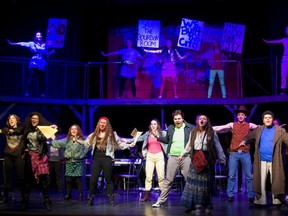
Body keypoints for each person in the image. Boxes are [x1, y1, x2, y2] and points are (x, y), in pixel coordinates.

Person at [239, 110, 288, 209]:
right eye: (266, 118)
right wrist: (244, 141)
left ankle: (279, 201)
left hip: (275, 160)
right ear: (263, 120)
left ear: (272, 119)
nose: (268, 119)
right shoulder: (259, 129)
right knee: (260, 182)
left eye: (269, 118)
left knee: (277, 181)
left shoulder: (280, 130)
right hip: (261, 160)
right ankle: (259, 202)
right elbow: (249, 136)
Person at [178, 114, 226, 215]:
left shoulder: (211, 133)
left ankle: (207, 206)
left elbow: (218, 146)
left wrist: (222, 160)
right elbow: (189, 145)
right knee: (192, 185)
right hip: (195, 159)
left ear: (207, 121)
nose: (202, 120)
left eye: (204, 119)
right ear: (197, 121)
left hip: (207, 160)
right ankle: (191, 206)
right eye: (200, 118)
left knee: (205, 185)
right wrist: (182, 154)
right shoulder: (194, 132)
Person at [81, 117, 135, 207]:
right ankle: (90, 198)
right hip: (96, 158)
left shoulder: (111, 134)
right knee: (93, 180)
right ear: (99, 123)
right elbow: (86, 144)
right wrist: (77, 140)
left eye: (104, 123)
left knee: (108, 179)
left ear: (107, 125)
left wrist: (129, 145)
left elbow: (119, 144)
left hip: (107, 158)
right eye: (101, 122)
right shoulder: (93, 135)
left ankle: (111, 199)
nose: (102, 124)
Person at [212, 105, 258, 204]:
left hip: (245, 153)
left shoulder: (250, 125)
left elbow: (261, 128)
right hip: (234, 154)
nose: (240, 116)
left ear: (245, 116)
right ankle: (230, 195)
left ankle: (251, 196)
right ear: (237, 116)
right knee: (231, 175)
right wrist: (208, 128)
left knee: (249, 176)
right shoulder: (232, 125)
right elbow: (221, 128)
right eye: (239, 115)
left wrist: (274, 128)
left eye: (242, 114)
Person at [152, 109, 194, 208]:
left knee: (189, 180)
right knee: (168, 180)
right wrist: (157, 137)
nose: (177, 120)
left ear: (183, 119)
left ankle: (192, 202)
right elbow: (167, 140)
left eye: (179, 118)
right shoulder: (171, 128)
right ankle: (160, 201)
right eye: (175, 119)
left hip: (186, 157)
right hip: (173, 157)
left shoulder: (190, 127)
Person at [21, 111, 60, 211]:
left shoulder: (43, 130)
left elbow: (58, 130)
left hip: (41, 156)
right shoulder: (27, 129)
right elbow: (16, 131)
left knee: (44, 180)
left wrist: (55, 127)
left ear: (39, 120)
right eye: (32, 118)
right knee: (28, 180)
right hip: (29, 156)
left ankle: (46, 201)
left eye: (36, 119)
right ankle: (25, 201)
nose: (34, 120)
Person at [7, 31, 55, 97]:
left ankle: (42, 93)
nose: (39, 36)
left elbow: (46, 54)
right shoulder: (31, 43)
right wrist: (12, 44)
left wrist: (51, 52)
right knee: (31, 77)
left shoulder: (45, 45)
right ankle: (27, 92)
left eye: (40, 35)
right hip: (34, 61)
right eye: (38, 35)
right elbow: (22, 43)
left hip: (41, 62)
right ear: (35, 37)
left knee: (41, 78)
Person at [130, 118, 168, 202]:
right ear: (150, 126)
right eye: (151, 124)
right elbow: (137, 139)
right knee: (148, 177)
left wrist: (166, 130)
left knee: (161, 177)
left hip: (159, 156)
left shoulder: (162, 133)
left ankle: (162, 197)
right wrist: (124, 139)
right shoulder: (147, 134)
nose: (153, 125)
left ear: (157, 125)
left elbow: (168, 138)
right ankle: (147, 196)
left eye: (155, 124)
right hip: (150, 156)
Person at [51, 124, 89, 201]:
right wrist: (52, 135)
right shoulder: (67, 140)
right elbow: (56, 143)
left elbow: (88, 147)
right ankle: (68, 194)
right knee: (68, 179)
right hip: (69, 162)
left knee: (79, 180)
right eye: (72, 129)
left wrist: (80, 155)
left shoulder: (82, 139)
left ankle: (81, 195)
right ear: (70, 131)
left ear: (78, 131)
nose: (73, 130)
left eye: (75, 129)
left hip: (79, 163)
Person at [0, 114, 25, 204]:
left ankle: (24, 198)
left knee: (21, 177)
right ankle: (5, 197)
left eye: (13, 118)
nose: (11, 120)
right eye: (10, 118)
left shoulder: (22, 129)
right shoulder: (6, 130)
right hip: (8, 156)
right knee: (7, 178)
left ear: (17, 120)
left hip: (19, 156)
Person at [263, 26, 288, 95]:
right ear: (286, 32)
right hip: (285, 58)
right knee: (283, 74)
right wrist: (267, 42)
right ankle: (283, 90)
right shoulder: (284, 40)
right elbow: (275, 41)